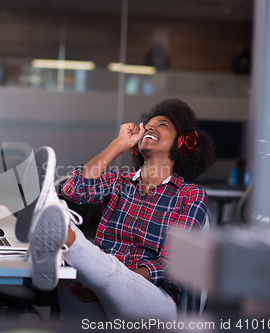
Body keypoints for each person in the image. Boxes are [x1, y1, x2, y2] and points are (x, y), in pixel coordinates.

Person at [59, 98, 215, 321]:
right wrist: (119, 143)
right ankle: (67, 241)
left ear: (182, 143)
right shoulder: (117, 182)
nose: (150, 127)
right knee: (63, 278)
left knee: (84, 256)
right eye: (148, 125)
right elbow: (73, 190)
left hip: (155, 298)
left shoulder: (189, 195)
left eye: (162, 125)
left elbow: (171, 266)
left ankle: (67, 238)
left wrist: (113, 281)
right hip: (100, 283)